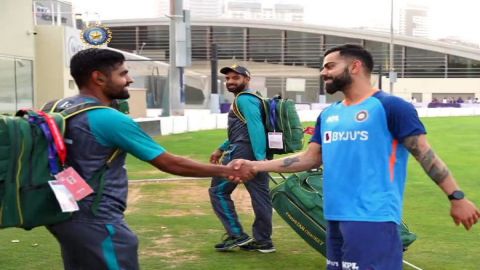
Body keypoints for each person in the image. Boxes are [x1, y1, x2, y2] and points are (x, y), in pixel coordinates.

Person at [230, 44, 480, 269]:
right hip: (333, 216)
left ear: (355, 66)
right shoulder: (329, 115)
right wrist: (255, 164)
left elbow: (425, 154)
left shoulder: (392, 107)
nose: (323, 72)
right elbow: (310, 158)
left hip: (373, 217)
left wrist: (456, 197)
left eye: (330, 66)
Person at [46, 48, 255, 270]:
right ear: (99, 78)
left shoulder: (55, 108)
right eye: (123, 74)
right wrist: (226, 170)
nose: (130, 79)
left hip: (63, 212)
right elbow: (169, 162)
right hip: (98, 219)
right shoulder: (108, 118)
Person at [208, 64, 275, 253]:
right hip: (254, 152)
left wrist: (259, 160)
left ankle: (237, 235)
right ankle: (264, 241)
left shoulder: (244, 99)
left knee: (218, 191)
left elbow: (255, 128)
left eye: (235, 78)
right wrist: (221, 148)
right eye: (228, 79)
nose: (230, 82)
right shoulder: (255, 98)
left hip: (242, 155)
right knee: (261, 197)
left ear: (247, 79)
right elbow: (242, 130)